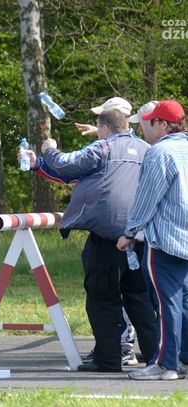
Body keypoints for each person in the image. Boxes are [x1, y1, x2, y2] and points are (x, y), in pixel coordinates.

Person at [24, 109, 157, 372]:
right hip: (140, 238)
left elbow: (66, 165)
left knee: (102, 298)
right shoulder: (146, 149)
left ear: (104, 129)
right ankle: (156, 357)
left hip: (107, 237)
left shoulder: (102, 148)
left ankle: (107, 359)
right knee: (139, 300)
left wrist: (49, 150)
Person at [117, 100, 188, 380]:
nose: (149, 125)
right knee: (184, 303)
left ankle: (164, 364)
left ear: (164, 125)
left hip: (165, 240)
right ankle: (183, 359)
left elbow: (148, 198)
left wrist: (130, 232)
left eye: (153, 121)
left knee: (165, 303)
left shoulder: (159, 152)